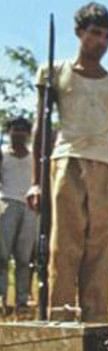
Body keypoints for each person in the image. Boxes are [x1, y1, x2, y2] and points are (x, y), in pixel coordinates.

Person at [28, 3, 108, 323]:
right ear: (79, 33)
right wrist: (36, 181)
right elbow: (41, 127)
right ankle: (59, 320)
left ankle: (96, 322)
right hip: (66, 163)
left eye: (107, 37)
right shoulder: (55, 72)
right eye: (95, 33)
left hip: (107, 166)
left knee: (100, 246)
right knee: (64, 245)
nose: (101, 42)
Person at [0, 117, 38, 316]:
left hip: (28, 207)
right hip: (6, 204)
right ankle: (1, 299)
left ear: (29, 134)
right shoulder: (3, 154)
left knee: (24, 258)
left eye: (23, 130)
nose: (19, 133)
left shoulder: (33, 157)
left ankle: (22, 301)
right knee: (2, 256)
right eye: (15, 129)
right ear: (9, 132)